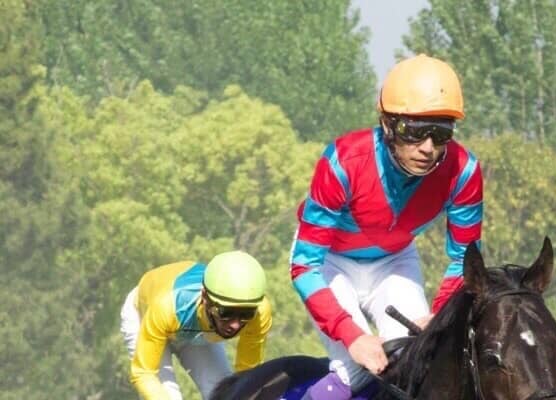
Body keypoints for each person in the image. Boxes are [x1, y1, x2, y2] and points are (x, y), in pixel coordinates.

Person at [289, 54, 483, 399]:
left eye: (441, 134)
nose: (428, 148)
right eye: (414, 132)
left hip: (394, 262)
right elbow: (305, 266)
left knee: (418, 364)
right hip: (329, 261)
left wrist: (439, 315)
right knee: (355, 370)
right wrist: (352, 335)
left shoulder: (464, 171)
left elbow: (463, 260)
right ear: (387, 124)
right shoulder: (342, 161)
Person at [120, 250, 273, 400]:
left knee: (227, 394)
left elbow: (247, 375)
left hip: (194, 327)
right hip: (146, 317)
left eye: (246, 314)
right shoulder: (166, 306)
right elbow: (144, 373)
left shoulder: (260, 313)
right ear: (205, 297)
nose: (235, 325)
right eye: (226, 312)